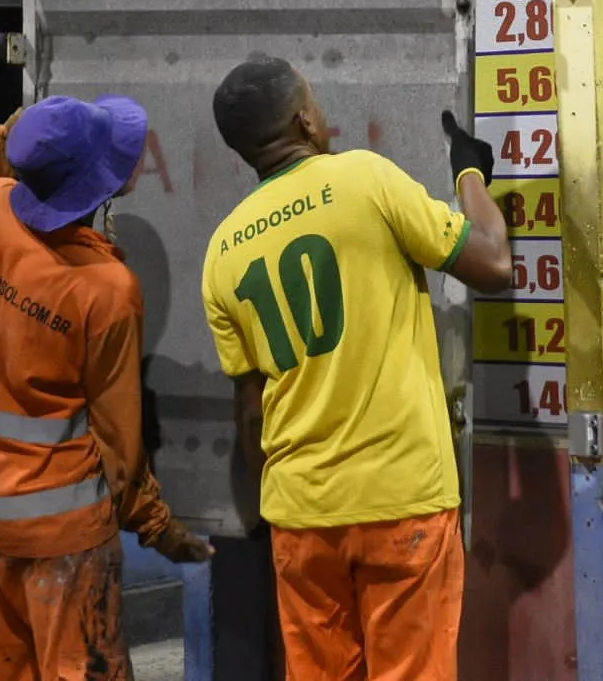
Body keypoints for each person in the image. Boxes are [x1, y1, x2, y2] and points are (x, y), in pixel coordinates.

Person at [201, 55, 512, 681]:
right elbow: (494, 262)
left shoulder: (224, 251)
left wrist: (278, 506)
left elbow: (250, 409)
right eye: (315, 104)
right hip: (402, 503)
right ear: (304, 120)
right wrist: (471, 173)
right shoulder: (363, 180)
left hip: (299, 515)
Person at [0, 95, 214, 681]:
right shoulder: (105, 289)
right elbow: (118, 441)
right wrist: (156, 526)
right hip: (61, 538)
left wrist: (0, 140)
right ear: (100, 192)